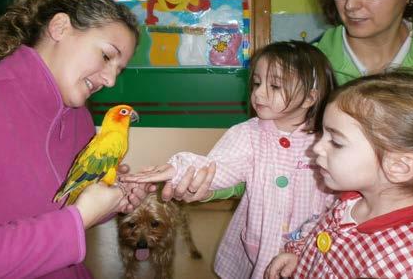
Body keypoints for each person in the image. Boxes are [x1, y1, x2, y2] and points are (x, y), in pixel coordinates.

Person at [168, 0, 413, 209]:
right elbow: (262, 157)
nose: (351, 4)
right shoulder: (304, 74)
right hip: (326, 234)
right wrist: (204, 185)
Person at [0, 0, 154, 278]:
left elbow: (62, 205)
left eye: (118, 71)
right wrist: (79, 219)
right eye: (107, 56)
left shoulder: (79, 118)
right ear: (59, 27)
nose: (109, 81)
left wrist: (113, 198)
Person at [122, 41, 337, 277]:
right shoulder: (247, 133)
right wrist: (179, 168)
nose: (259, 93)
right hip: (261, 249)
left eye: (275, 86)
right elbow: (218, 167)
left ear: (309, 98)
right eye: (256, 83)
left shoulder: (327, 139)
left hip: (314, 249)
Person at [265, 70, 413, 278]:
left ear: (399, 166)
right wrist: (299, 253)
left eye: (336, 142)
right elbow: (319, 235)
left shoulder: (409, 262)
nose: (316, 149)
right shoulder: (350, 202)